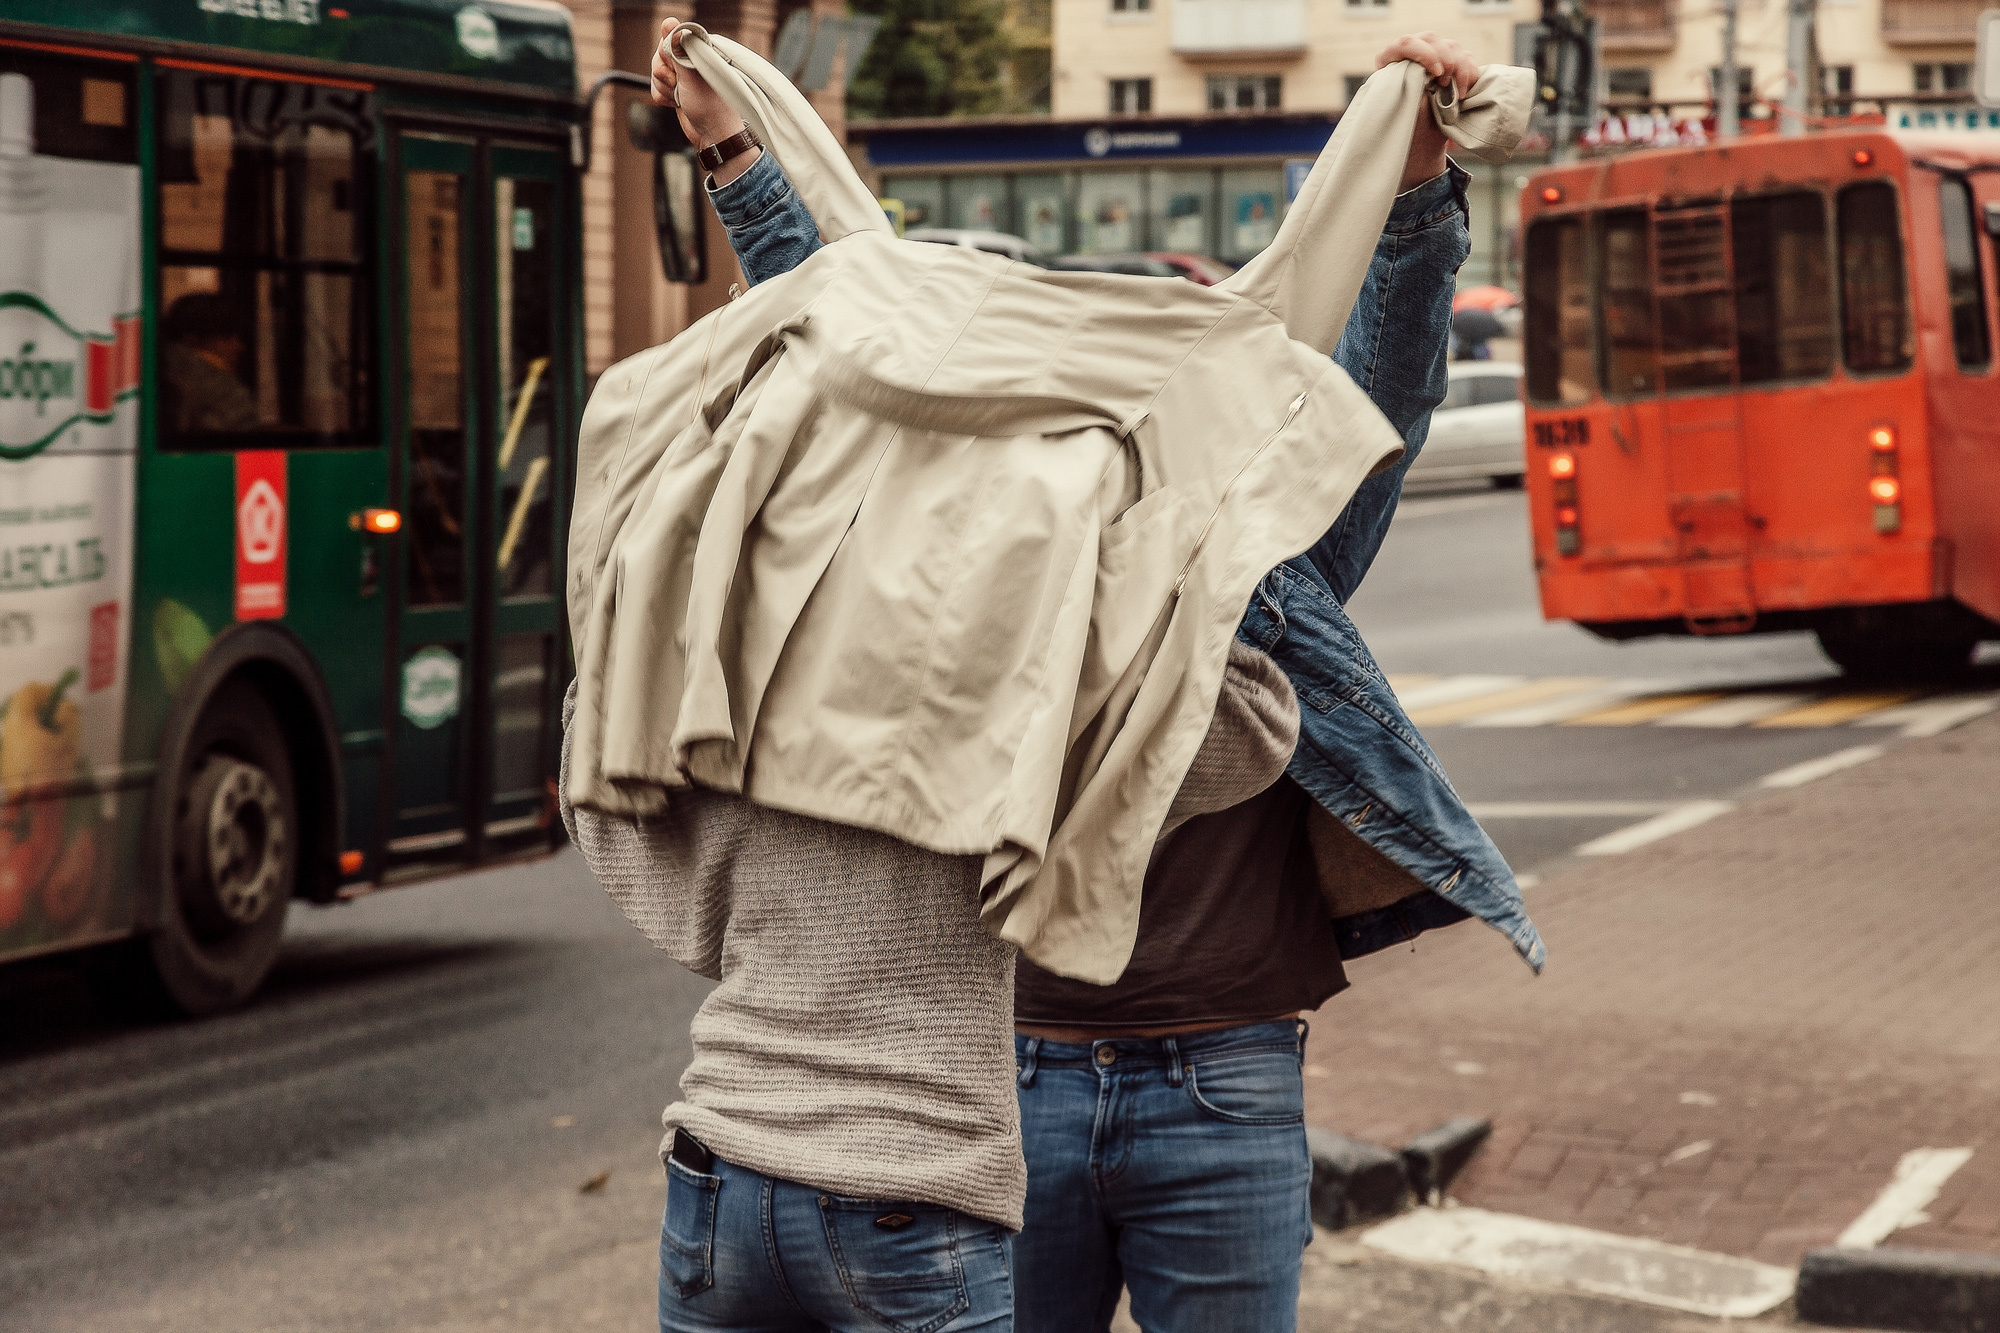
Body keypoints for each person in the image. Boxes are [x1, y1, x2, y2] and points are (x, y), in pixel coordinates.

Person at [652, 23, 1490, 1333]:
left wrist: (1418, 184)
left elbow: (1386, 389)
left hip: (1226, 1075)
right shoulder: (979, 552)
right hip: (1013, 1076)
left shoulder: (1258, 547)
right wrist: (736, 153)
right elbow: (853, 351)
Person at [160, 292, 258, 433]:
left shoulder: (166, 371)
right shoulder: (223, 391)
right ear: (191, 339)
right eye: (226, 337)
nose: (239, 346)